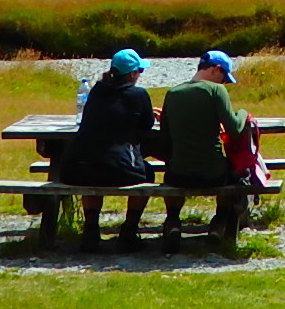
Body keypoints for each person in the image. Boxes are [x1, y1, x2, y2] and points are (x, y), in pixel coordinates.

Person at [56, 48, 156, 253]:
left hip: (78, 168)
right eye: (140, 71)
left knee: (94, 170)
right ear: (133, 74)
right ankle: (129, 231)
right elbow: (147, 125)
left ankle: (91, 230)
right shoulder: (138, 94)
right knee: (149, 172)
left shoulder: (95, 91)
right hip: (120, 170)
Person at [156, 49, 250, 254]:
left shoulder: (172, 93)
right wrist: (243, 113)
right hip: (212, 174)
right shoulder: (216, 91)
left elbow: (165, 137)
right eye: (224, 78)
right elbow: (234, 130)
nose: (224, 83)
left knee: (170, 173)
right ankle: (219, 222)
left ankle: (173, 220)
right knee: (234, 174)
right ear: (216, 70)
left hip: (179, 174)